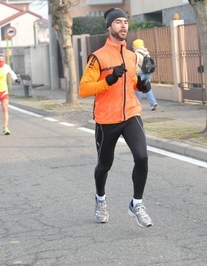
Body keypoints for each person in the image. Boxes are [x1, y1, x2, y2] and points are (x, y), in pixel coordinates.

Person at [79, 7, 153, 228]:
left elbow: (130, 85)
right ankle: (100, 199)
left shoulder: (131, 56)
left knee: (142, 157)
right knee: (104, 165)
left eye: (125, 22)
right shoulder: (97, 57)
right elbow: (84, 89)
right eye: (118, 22)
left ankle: (136, 204)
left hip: (131, 114)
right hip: (106, 119)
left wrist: (142, 85)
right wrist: (108, 80)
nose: (123, 26)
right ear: (109, 26)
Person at [132, 39, 158, 111]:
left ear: (136, 45)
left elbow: (135, 64)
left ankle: (138, 105)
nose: (132, 47)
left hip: (139, 73)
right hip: (147, 73)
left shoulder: (136, 54)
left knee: (137, 89)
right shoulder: (147, 53)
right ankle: (153, 103)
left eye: (133, 45)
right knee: (147, 88)